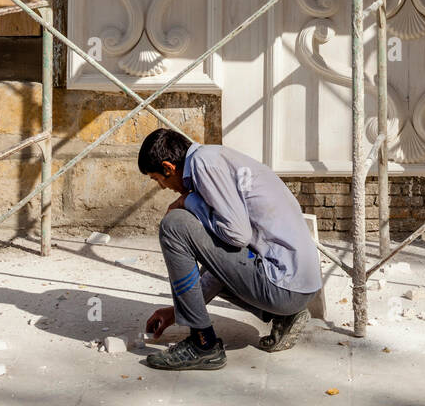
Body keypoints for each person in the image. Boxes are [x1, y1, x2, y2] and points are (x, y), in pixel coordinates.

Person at [138, 128, 322, 371]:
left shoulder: (204, 165)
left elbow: (236, 236)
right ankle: (285, 316)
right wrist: (176, 311)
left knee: (175, 224)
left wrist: (187, 201)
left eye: (156, 178)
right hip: (299, 288)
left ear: (168, 167)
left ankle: (202, 344)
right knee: (209, 235)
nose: (162, 187)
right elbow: (222, 261)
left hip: (283, 284)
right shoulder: (213, 158)